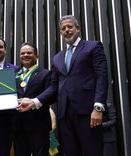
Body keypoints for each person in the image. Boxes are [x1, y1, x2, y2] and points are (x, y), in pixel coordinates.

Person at [17, 15, 108, 156]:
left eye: (70, 27)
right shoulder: (57, 58)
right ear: (60, 33)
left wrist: (98, 107)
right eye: (63, 28)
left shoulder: (93, 47)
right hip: (64, 114)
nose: (66, 30)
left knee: (92, 151)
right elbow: (54, 87)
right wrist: (34, 102)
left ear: (78, 29)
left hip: (88, 112)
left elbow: (102, 77)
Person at [11, 43, 52, 156]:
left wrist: (33, 102)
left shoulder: (46, 74)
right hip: (18, 125)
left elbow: (50, 96)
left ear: (36, 56)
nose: (26, 55)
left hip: (38, 125)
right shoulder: (13, 75)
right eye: (23, 53)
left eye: (29, 53)